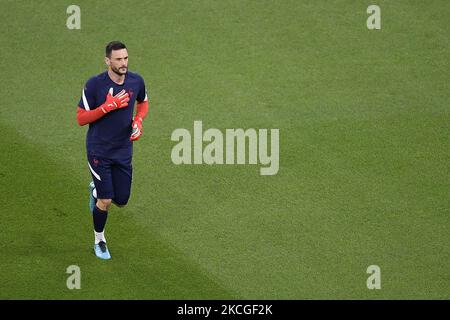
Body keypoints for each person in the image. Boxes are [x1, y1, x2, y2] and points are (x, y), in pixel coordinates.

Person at [77, 41, 149, 260]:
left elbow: (143, 103)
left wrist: (138, 121)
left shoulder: (136, 81)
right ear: (108, 61)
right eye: (118, 59)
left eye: (125, 58)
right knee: (106, 201)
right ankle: (99, 240)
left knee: (122, 200)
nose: (123, 63)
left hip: (123, 150)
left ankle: (97, 190)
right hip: (99, 151)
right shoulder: (94, 85)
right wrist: (107, 107)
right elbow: (81, 118)